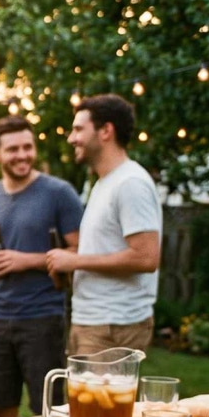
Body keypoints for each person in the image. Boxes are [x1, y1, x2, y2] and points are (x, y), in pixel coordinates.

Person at [0, 115, 83, 417]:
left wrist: (27, 260)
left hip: (42, 317)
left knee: (49, 411)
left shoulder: (59, 193)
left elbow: (79, 252)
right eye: (13, 149)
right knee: (2, 409)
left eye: (28, 147)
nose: (23, 155)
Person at [47, 93, 162, 354]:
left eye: (78, 129)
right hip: (93, 321)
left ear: (106, 131)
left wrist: (75, 261)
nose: (71, 138)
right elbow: (107, 248)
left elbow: (146, 257)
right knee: (79, 396)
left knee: (98, 397)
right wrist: (67, 259)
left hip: (114, 325)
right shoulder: (103, 183)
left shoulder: (130, 183)